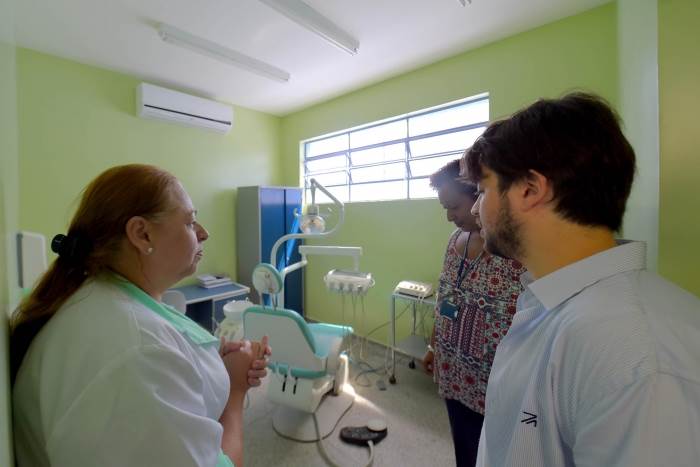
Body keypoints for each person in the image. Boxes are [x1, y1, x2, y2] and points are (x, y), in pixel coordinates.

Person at [461, 92, 700, 466]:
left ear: (530, 189)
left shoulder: (635, 354)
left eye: (482, 190)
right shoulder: (559, 304)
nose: (476, 207)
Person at [11, 164, 269, 467]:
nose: (204, 233)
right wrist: (235, 391)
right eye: (190, 222)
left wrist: (214, 362)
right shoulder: (138, 352)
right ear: (142, 234)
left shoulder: (103, 295)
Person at [422, 159, 525, 467]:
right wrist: (433, 347)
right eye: (445, 209)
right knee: (464, 449)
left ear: (479, 196)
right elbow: (445, 299)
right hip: (453, 371)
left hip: (495, 382)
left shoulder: (513, 250)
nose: (449, 217)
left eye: (454, 207)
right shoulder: (454, 241)